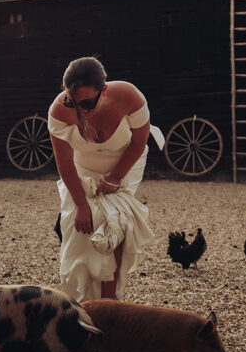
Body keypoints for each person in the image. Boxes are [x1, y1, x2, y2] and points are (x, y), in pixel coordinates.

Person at [47, 57, 163, 301]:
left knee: (116, 222)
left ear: (104, 90)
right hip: (82, 165)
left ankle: (111, 303)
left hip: (125, 161)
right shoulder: (59, 111)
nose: (80, 110)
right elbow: (65, 163)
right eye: (72, 101)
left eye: (88, 103)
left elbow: (139, 142)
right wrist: (79, 205)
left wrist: (114, 178)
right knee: (83, 226)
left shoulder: (129, 96)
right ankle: (84, 301)